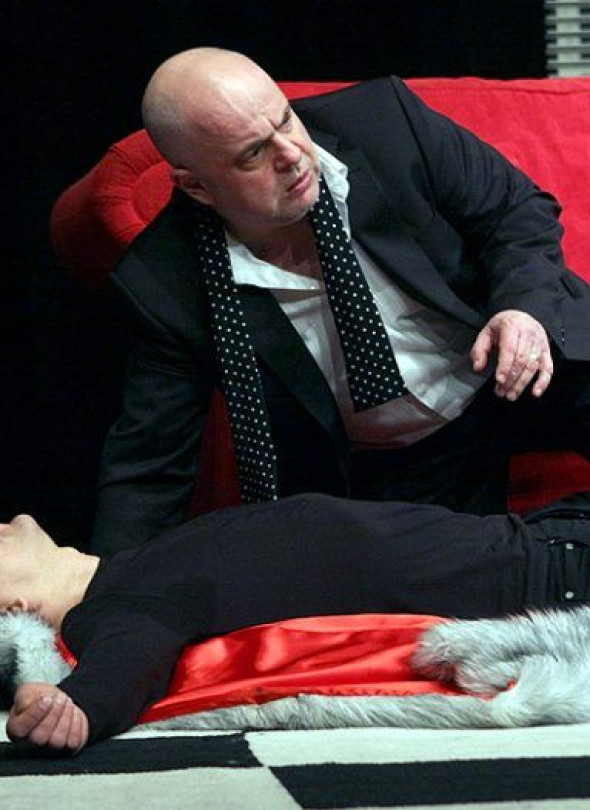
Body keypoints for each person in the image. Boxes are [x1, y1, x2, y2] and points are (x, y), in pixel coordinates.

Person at [91, 47, 590, 554]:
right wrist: (108, 583)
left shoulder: (385, 123)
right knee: (474, 572)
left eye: (285, 120)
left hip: (518, 349)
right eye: (254, 154)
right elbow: (151, 466)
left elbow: (514, 210)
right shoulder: (167, 283)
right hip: (404, 457)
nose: (291, 154)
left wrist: (521, 309)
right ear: (197, 187)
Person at [4, 490, 590, 754]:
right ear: (14, 607)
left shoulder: (129, 566)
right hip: (546, 576)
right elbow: (127, 665)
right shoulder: (117, 609)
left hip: (544, 531)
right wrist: (73, 708)